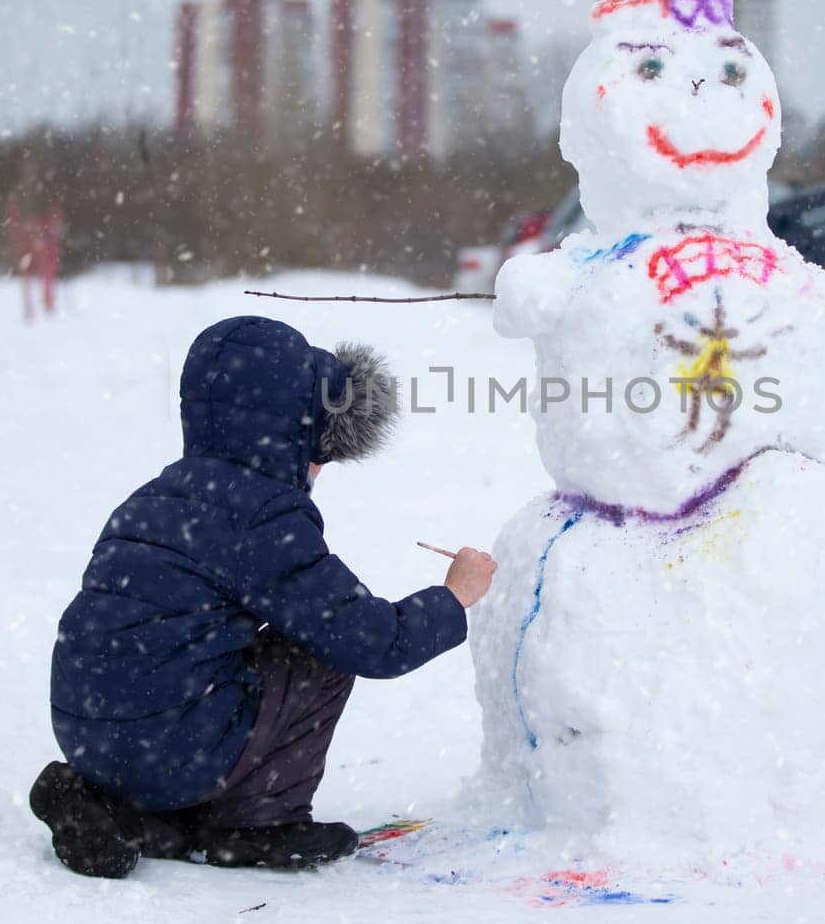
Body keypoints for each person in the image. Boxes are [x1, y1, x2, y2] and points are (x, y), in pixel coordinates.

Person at [29, 315, 496, 878]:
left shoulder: (154, 495)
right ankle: (255, 823)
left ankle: (106, 803)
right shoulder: (264, 515)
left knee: (204, 662)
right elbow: (369, 641)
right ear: (297, 430)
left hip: (91, 735)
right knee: (318, 651)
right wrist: (452, 598)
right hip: (169, 747)